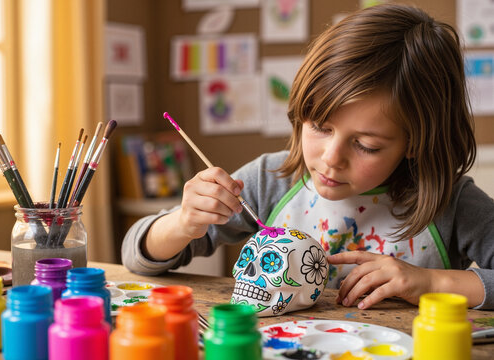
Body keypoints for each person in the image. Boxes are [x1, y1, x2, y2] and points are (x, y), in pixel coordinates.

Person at [122, 4, 494, 310]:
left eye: (366, 145)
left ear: (415, 141)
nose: (331, 159)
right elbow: (135, 256)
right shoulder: (269, 180)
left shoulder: (452, 203)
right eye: (319, 126)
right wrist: (183, 224)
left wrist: (432, 281)